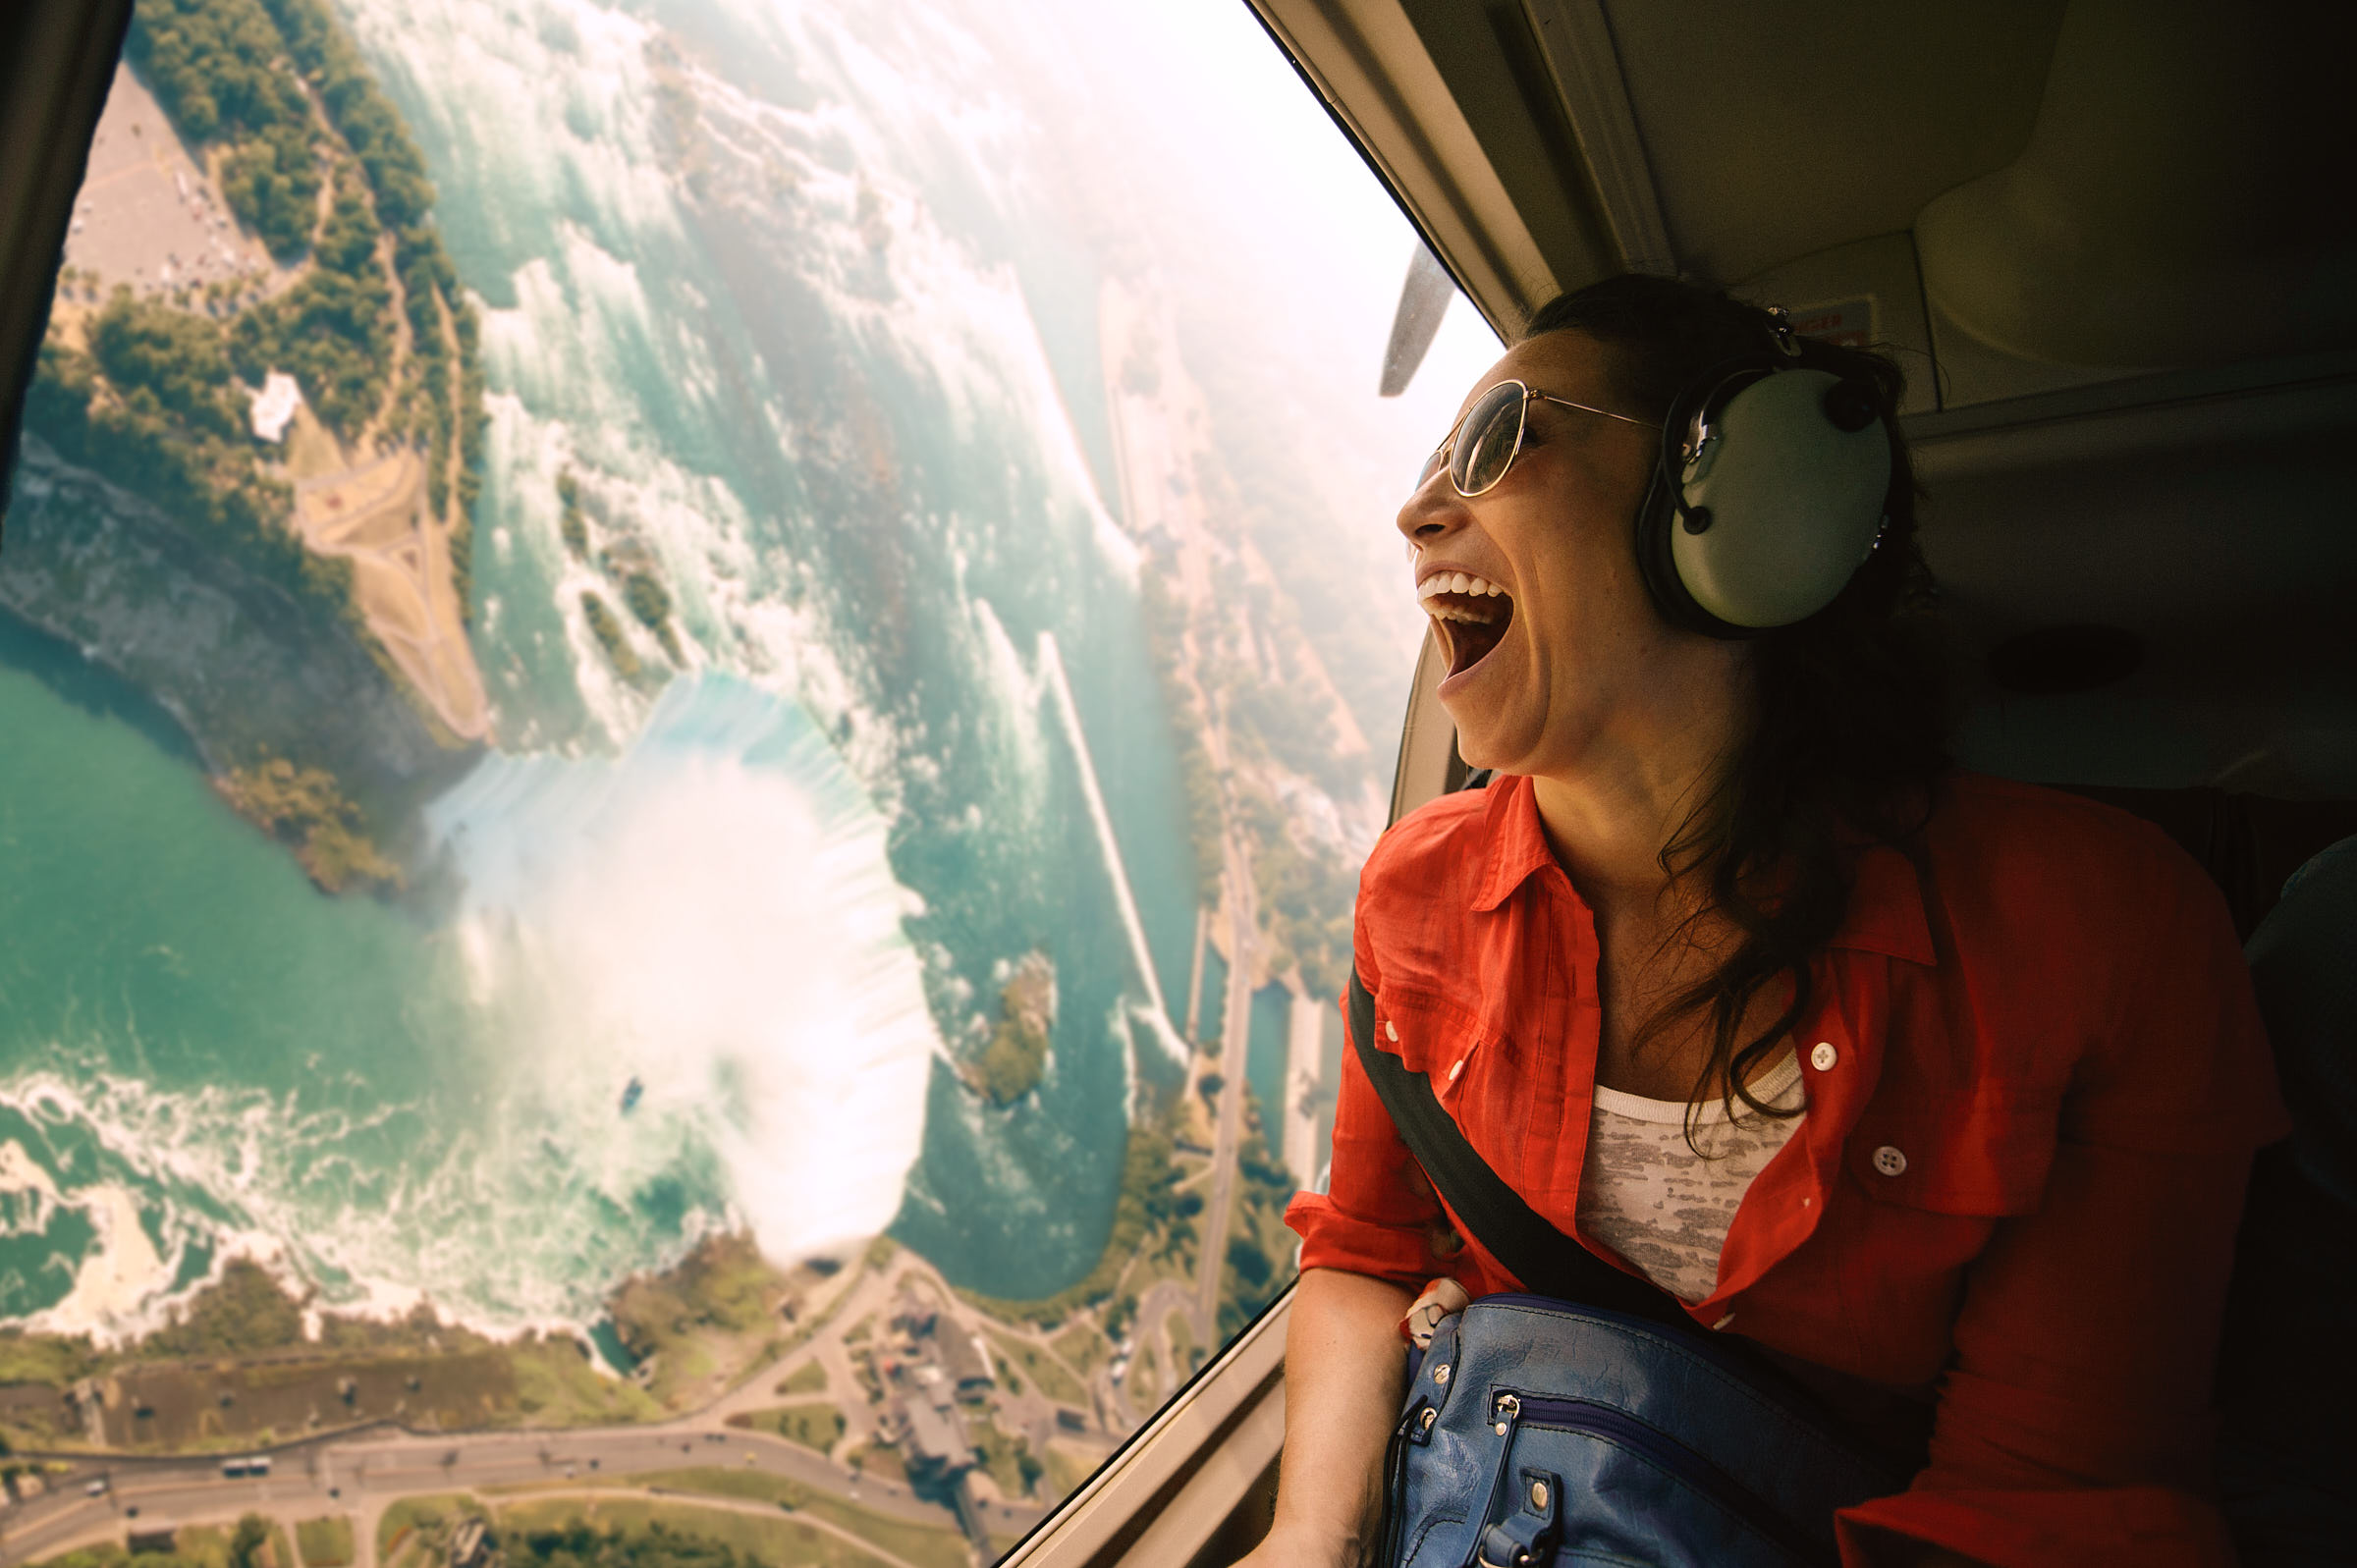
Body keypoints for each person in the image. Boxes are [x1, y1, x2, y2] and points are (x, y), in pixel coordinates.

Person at [1234, 274, 2286, 1568]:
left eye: (1501, 441)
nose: (1415, 509)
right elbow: (1369, 1249)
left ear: (1746, 503)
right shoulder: (1411, 890)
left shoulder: (2107, 939)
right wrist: (1306, 1538)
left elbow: (2042, 1504)